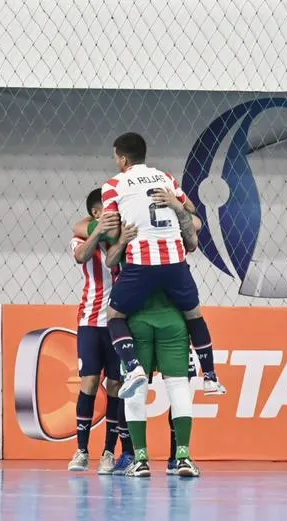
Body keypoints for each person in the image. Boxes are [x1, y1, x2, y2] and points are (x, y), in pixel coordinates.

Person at [101, 132, 226, 400]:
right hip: (174, 262)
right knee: (194, 315)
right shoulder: (166, 178)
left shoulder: (113, 185)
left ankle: (133, 368)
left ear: (123, 159)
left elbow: (111, 229)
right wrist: (176, 205)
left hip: (141, 265)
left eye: (115, 157)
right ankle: (211, 378)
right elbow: (191, 210)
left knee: (114, 316)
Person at [104, 197, 202, 478]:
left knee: (135, 386)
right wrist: (179, 205)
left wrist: (118, 235)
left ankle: (141, 460)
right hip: (173, 318)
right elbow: (197, 223)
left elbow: (95, 234)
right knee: (178, 387)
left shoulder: (127, 227)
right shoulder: (175, 231)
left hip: (137, 320)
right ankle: (182, 457)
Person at [68, 190, 134, 474]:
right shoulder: (83, 237)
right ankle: (82, 451)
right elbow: (80, 256)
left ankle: (109, 452)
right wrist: (96, 233)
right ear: (97, 214)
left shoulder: (124, 237)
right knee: (90, 381)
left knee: (117, 387)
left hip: (119, 321)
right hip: (90, 319)